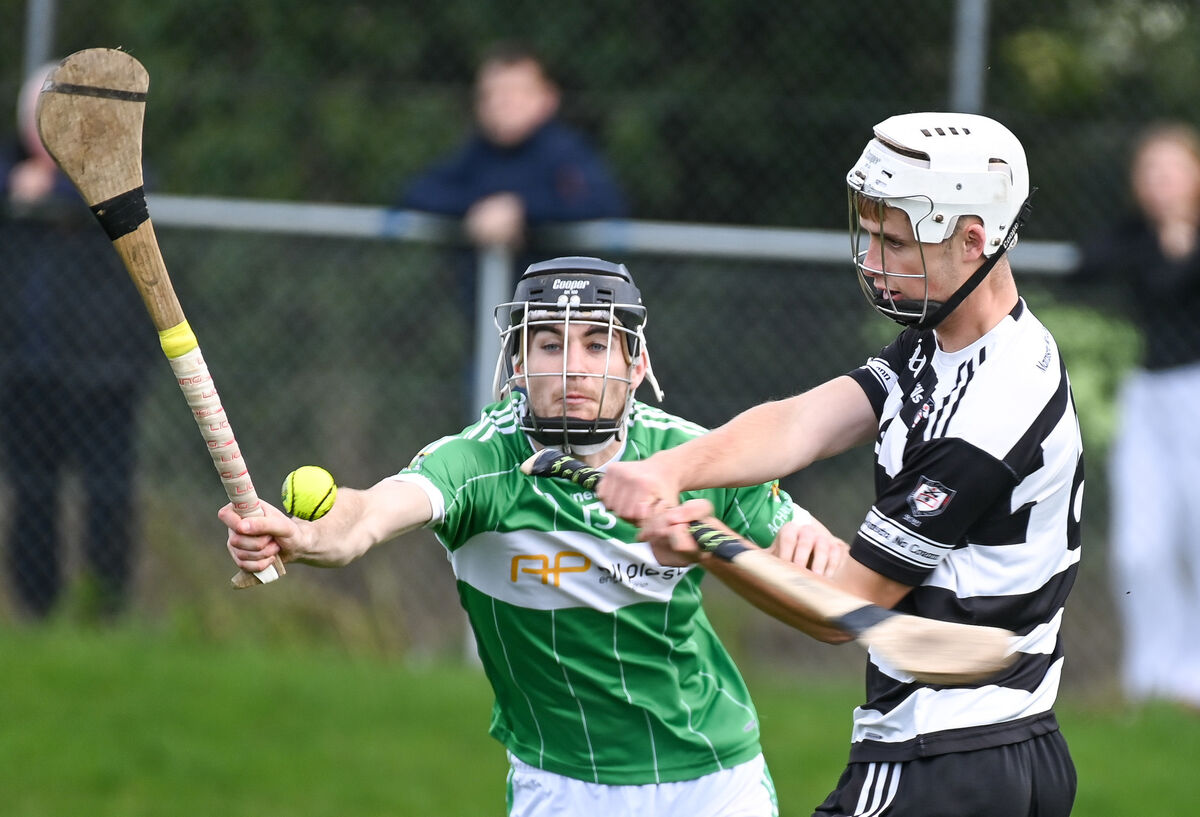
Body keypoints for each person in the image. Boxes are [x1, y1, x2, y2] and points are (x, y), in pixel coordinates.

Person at [221, 256, 846, 817]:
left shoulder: (693, 457)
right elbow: (368, 515)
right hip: (560, 785)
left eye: (598, 344)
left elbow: (830, 578)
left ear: (638, 364)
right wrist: (305, 536)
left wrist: (808, 552)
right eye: (549, 345)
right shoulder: (479, 465)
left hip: (711, 778)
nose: (572, 368)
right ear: (517, 363)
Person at [596, 113, 1083, 817]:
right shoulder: (945, 344)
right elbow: (804, 421)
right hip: (1013, 749)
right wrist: (669, 469)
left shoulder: (985, 412)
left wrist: (708, 542)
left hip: (942, 756)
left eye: (895, 240)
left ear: (973, 239)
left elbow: (843, 610)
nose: (875, 260)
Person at [0, 63, 155, 620]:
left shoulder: (117, 174)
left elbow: (136, 190)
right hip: (28, 370)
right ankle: (37, 611)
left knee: (107, 495)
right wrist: (22, 189)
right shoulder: (13, 181)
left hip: (103, 373)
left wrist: (59, 191)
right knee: (33, 493)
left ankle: (104, 608)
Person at [1074, 122, 1200, 710]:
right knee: (1139, 548)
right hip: (1148, 396)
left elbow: (1176, 286)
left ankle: (1192, 679)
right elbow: (1086, 266)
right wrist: (1161, 242)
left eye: (1171, 170)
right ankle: (1150, 681)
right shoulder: (1137, 235)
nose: (1159, 183)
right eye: (1149, 172)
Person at [397, 42, 627, 252]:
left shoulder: (566, 151)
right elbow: (418, 194)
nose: (501, 103)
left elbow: (599, 203)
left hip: (553, 293)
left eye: (515, 92)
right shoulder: (475, 152)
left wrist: (521, 211)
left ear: (547, 97)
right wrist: (477, 208)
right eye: (491, 94)